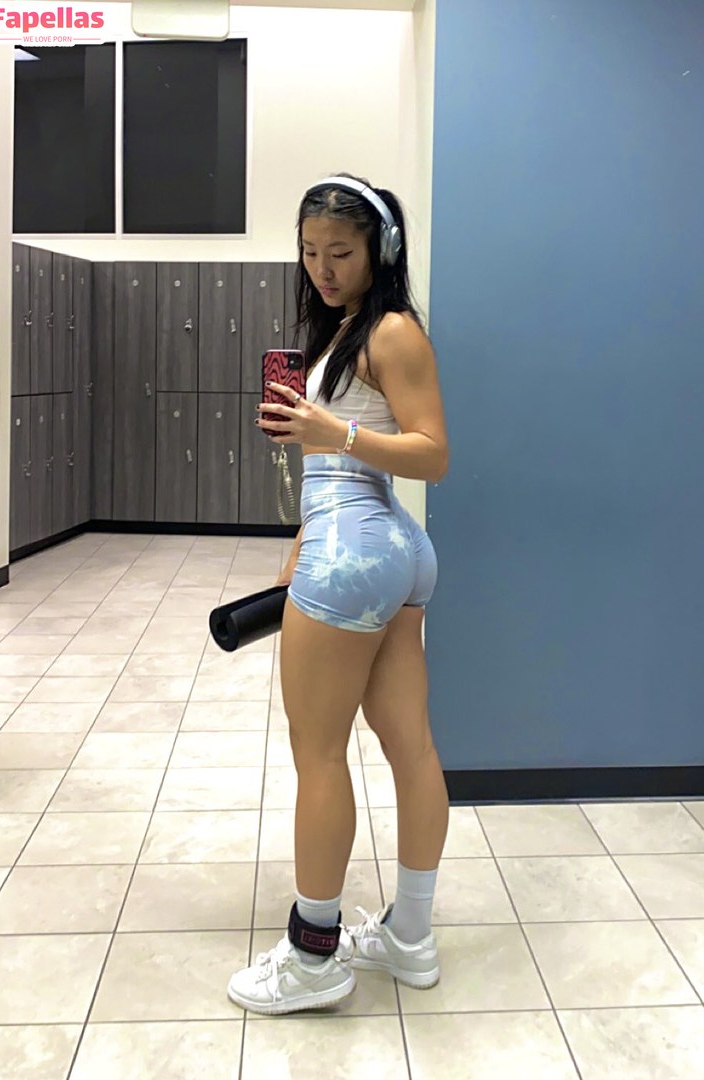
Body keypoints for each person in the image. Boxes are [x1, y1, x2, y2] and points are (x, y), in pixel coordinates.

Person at [227, 173, 450, 1015]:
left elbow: (432, 453)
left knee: (319, 754)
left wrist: (335, 430)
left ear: (380, 251)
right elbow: (330, 471)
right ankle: (409, 939)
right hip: (380, 550)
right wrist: (302, 541)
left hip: (357, 552)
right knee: (409, 746)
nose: (323, 269)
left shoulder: (390, 331)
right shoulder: (347, 329)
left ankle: (313, 957)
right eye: (311, 252)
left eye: (341, 253)